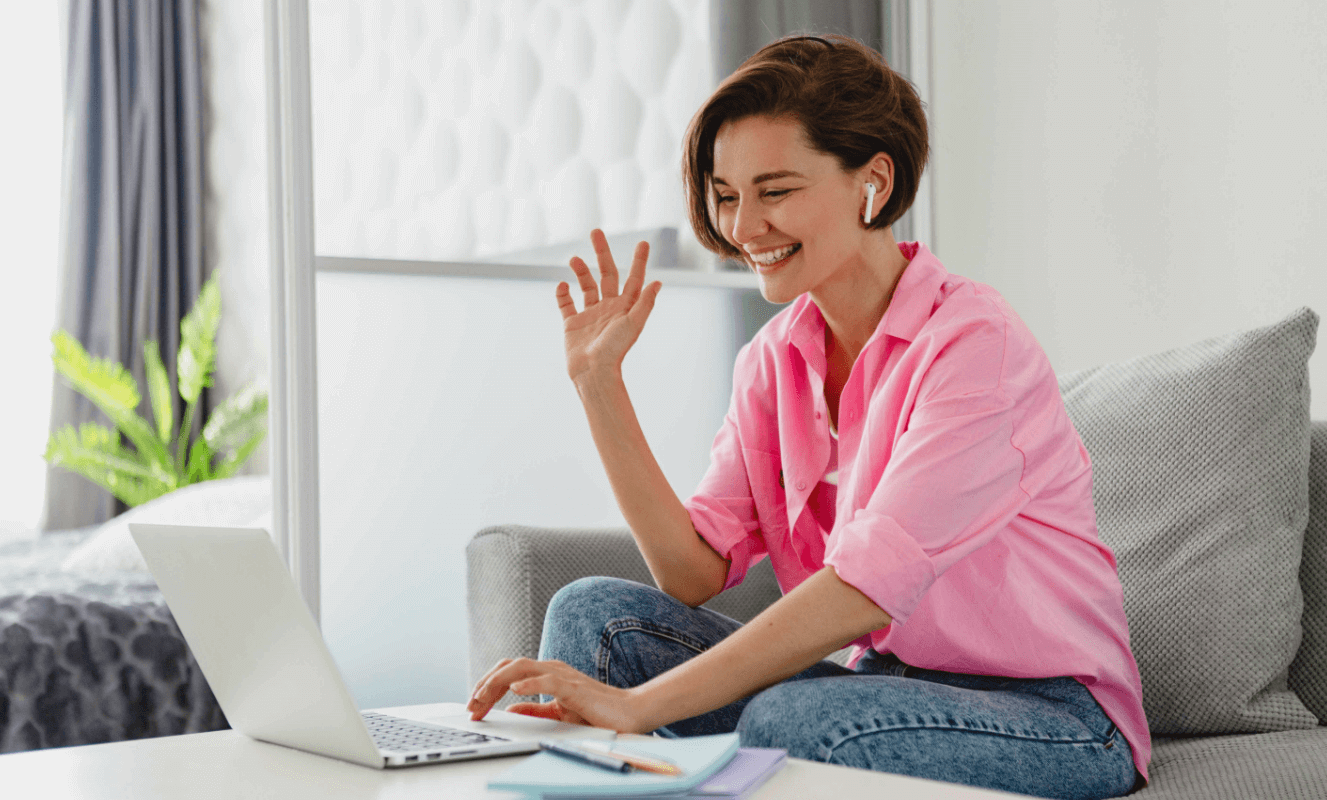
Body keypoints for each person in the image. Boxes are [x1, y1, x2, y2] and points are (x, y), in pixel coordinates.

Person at [467, 34, 1149, 799]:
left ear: (873, 182)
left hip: (1055, 718)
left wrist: (639, 708)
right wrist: (599, 386)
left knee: (794, 724)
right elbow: (690, 573)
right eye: (727, 195)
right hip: (883, 689)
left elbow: (863, 587)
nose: (743, 226)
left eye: (776, 190)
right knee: (593, 616)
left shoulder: (973, 345)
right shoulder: (773, 360)